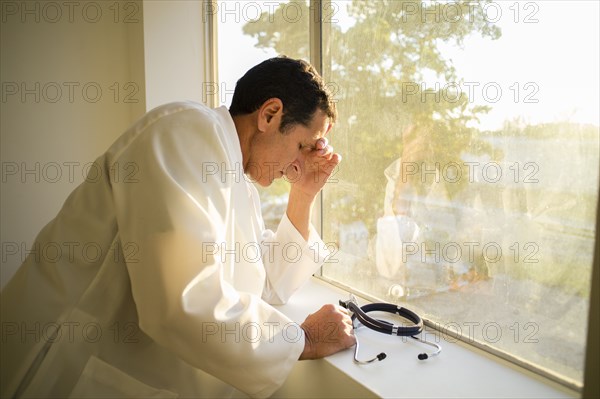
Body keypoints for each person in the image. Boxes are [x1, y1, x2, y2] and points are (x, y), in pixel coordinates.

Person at [0, 57, 356, 398]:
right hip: (60, 368)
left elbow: (265, 285)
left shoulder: (235, 179)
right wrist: (302, 340)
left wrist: (304, 193)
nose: (304, 160)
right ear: (269, 114)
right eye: (303, 145)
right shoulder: (186, 131)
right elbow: (181, 301)